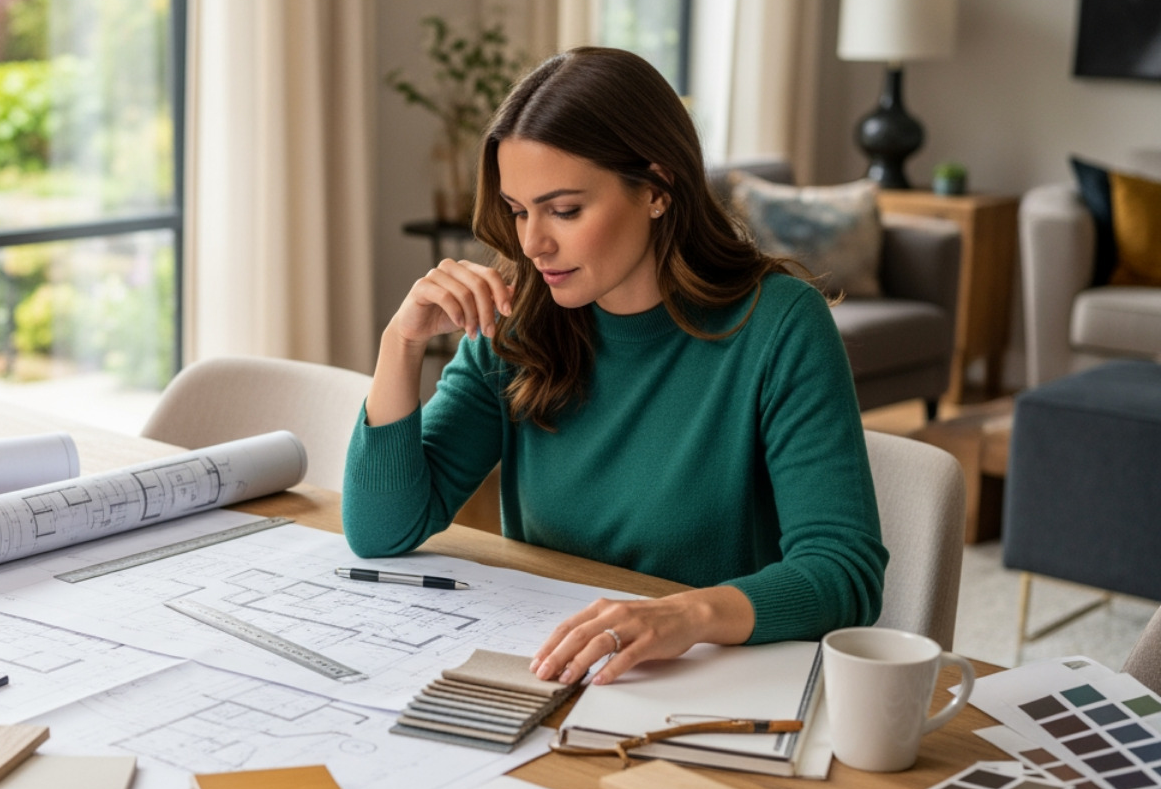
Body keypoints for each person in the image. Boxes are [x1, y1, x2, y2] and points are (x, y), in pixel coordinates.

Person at [340, 46, 887, 688]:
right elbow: (383, 530)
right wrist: (400, 344)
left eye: (564, 210)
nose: (533, 243)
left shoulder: (780, 325)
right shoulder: (520, 319)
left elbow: (843, 571)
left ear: (656, 189)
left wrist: (685, 615)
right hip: (557, 675)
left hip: (708, 682)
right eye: (519, 210)